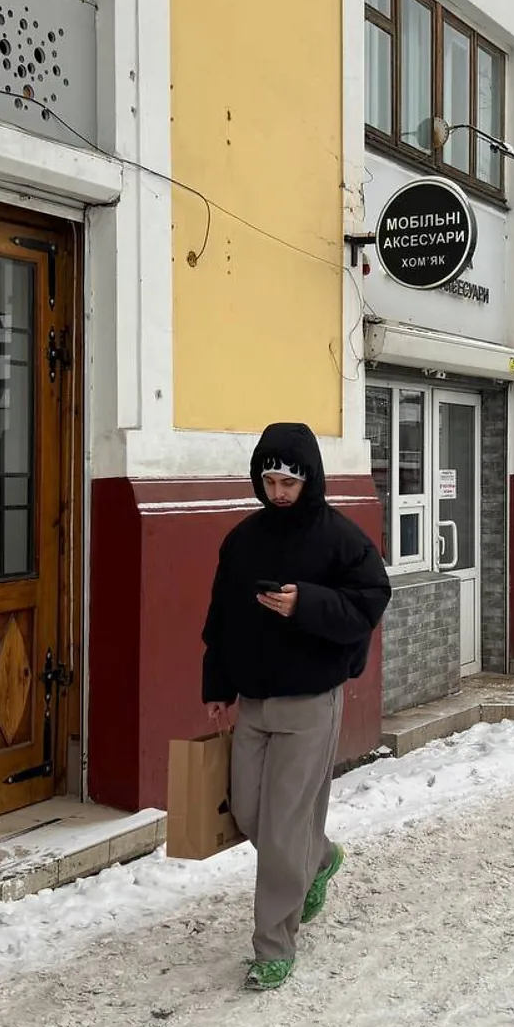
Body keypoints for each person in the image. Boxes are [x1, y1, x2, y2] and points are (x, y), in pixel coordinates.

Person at [201, 422, 392, 991]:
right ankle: (322, 857)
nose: (279, 491)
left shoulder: (341, 539)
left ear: (309, 480)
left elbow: (369, 602)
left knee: (283, 829)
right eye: (270, 480)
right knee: (251, 816)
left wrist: (305, 604)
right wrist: (218, 686)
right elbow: (221, 618)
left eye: (288, 481)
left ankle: (273, 945)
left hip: (311, 701)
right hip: (255, 702)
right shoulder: (241, 540)